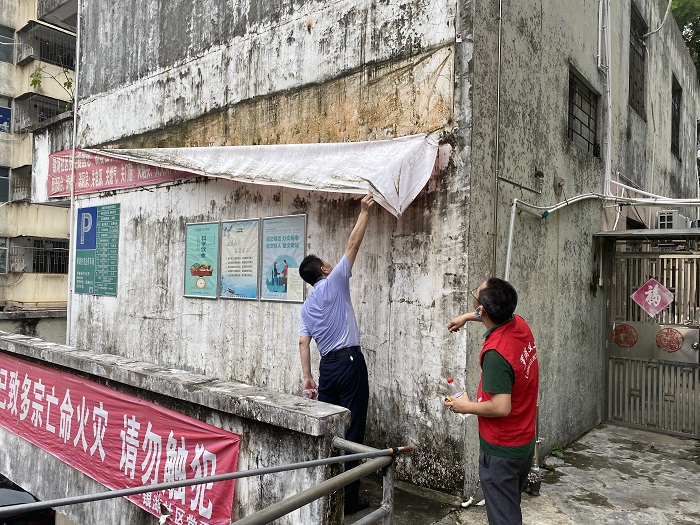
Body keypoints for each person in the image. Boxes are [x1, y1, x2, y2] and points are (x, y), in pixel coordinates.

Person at [298, 194, 374, 514]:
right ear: (324, 268)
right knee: (352, 430)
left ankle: (327, 497)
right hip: (350, 362)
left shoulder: (306, 307)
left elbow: (303, 343)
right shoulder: (336, 281)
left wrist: (307, 377)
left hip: (326, 368)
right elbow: (353, 244)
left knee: (329, 429)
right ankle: (349, 500)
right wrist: (364, 211)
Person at [445, 278, 539, 525]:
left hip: (501, 450)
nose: (473, 293)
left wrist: (464, 406)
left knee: (504, 519)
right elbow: (491, 315)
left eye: (475, 292)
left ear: (482, 309)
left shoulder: (496, 353)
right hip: (523, 441)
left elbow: (500, 407)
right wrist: (467, 317)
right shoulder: (519, 325)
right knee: (508, 508)